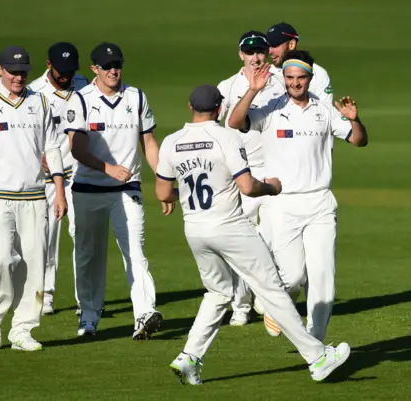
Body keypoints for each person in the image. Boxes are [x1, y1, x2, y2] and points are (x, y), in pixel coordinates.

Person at [156, 84, 351, 385]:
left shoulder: (171, 141)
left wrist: (173, 197)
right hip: (231, 229)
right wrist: (271, 187)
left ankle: (189, 358)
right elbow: (247, 187)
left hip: (195, 230)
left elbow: (163, 191)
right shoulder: (226, 137)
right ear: (219, 109)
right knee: (272, 290)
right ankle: (317, 357)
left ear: (189, 106)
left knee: (218, 292)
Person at [228, 50, 368, 342]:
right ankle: (272, 303)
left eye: (301, 77)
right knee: (291, 277)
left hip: (320, 202)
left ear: (310, 78)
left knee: (323, 278)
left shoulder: (324, 110)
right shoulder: (270, 108)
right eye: (290, 77)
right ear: (284, 78)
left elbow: (358, 140)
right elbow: (235, 121)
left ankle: (315, 342)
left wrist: (355, 121)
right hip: (284, 204)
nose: (295, 83)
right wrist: (253, 90)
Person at [63, 42, 174, 339]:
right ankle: (88, 316)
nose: (113, 71)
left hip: (127, 190)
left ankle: (144, 314)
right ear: (94, 69)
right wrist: (107, 168)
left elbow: (149, 143)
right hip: (87, 189)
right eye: (106, 66)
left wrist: (164, 179)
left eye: (117, 65)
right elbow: (76, 147)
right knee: (88, 255)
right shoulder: (81, 100)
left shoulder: (136, 97)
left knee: (135, 252)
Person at [0, 45, 68, 351]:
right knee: (1, 258)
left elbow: (52, 148)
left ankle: (22, 329)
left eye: (22, 72)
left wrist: (59, 191)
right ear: (0, 70)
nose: (18, 77)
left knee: (36, 265)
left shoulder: (40, 102)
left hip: (35, 195)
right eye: (12, 71)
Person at [217, 30, 285, 327]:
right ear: (241, 55)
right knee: (240, 245)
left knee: (273, 241)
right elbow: (219, 129)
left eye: (260, 51)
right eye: (250, 52)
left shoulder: (283, 81)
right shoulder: (227, 87)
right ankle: (241, 305)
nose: (257, 57)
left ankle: (264, 294)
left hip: (275, 175)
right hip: (241, 176)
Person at [27, 42, 89, 315]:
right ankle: (46, 295)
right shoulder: (34, 92)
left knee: (83, 236)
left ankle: (85, 299)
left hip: (81, 174)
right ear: (49, 64)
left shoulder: (83, 83)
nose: (66, 77)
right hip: (50, 177)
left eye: (70, 71)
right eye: (60, 71)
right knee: (47, 238)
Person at [266, 22, 333, 104]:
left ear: (291, 44)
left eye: (275, 45)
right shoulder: (265, 75)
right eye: (268, 46)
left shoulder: (318, 73)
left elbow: (326, 110)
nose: (270, 51)